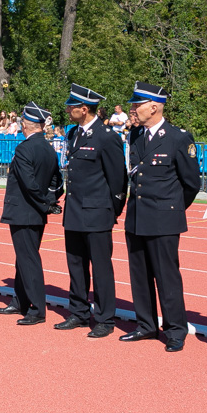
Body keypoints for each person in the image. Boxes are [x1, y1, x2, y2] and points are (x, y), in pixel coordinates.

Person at [122, 81, 201, 352]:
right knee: (139, 275)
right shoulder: (136, 136)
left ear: (154, 106)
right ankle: (145, 325)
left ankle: (175, 329)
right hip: (137, 216)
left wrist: (171, 209)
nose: (133, 109)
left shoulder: (178, 138)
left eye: (137, 104)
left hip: (163, 219)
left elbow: (191, 184)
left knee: (166, 277)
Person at [58, 84, 127, 338]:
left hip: (97, 213)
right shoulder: (73, 133)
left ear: (84, 109)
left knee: (100, 268)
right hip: (74, 211)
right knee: (75, 265)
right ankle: (78, 312)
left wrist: (112, 211)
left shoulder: (107, 136)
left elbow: (118, 179)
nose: (67, 109)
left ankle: (105, 318)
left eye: (71, 106)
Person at [0, 102, 62, 325]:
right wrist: (50, 201)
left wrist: (44, 204)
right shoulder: (48, 148)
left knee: (28, 259)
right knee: (23, 259)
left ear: (26, 125)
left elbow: (29, 184)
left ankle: (36, 307)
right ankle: (21, 300)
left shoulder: (24, 149)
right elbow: (57, 181)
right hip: (35, 212)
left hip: (25, 211)